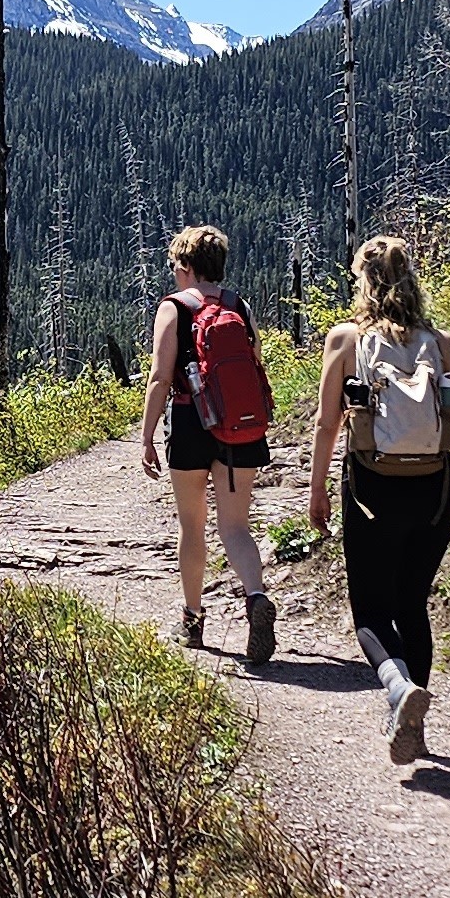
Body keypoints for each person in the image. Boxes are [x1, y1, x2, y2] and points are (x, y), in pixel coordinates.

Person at [306, 237, 450, 765]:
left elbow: (325, 423)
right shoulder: (441, 343)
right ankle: (416, 728)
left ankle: (398, 689)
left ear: (363, 280)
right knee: (412, 604)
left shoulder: (345, 340)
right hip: (435, 490)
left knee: (370, 608)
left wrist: (316, 488)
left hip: (371, 489)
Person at [139, 225, 278, 660]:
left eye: (175, 267)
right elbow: (253, 366)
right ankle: (256, 596)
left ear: (185, 266)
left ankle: (193, 620)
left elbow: (162, 376)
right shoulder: (238, 306)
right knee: (236, 526)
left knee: (192, 525)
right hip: (239, 424)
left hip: (190, 421)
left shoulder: (174, 308)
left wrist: (146, 436)